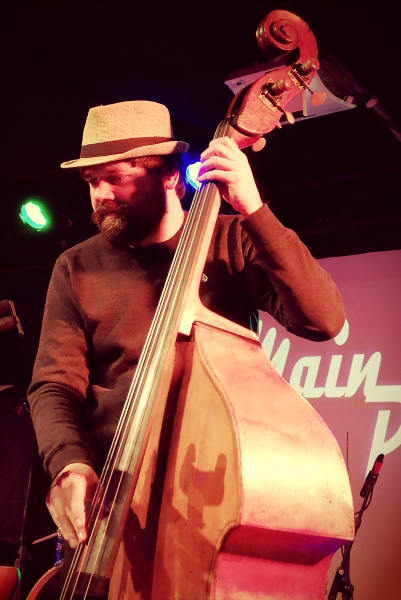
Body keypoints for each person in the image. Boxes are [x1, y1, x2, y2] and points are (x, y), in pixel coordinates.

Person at [28, 100, 345, 559]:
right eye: (92, 181)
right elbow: (55, 385)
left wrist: (254, 210)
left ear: (171, 177)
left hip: (214, 494)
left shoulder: (233, 239)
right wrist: (70, 463)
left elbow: (322, 320)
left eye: (116, 177)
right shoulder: (75, 266)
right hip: (110, 501)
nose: (100, 194)